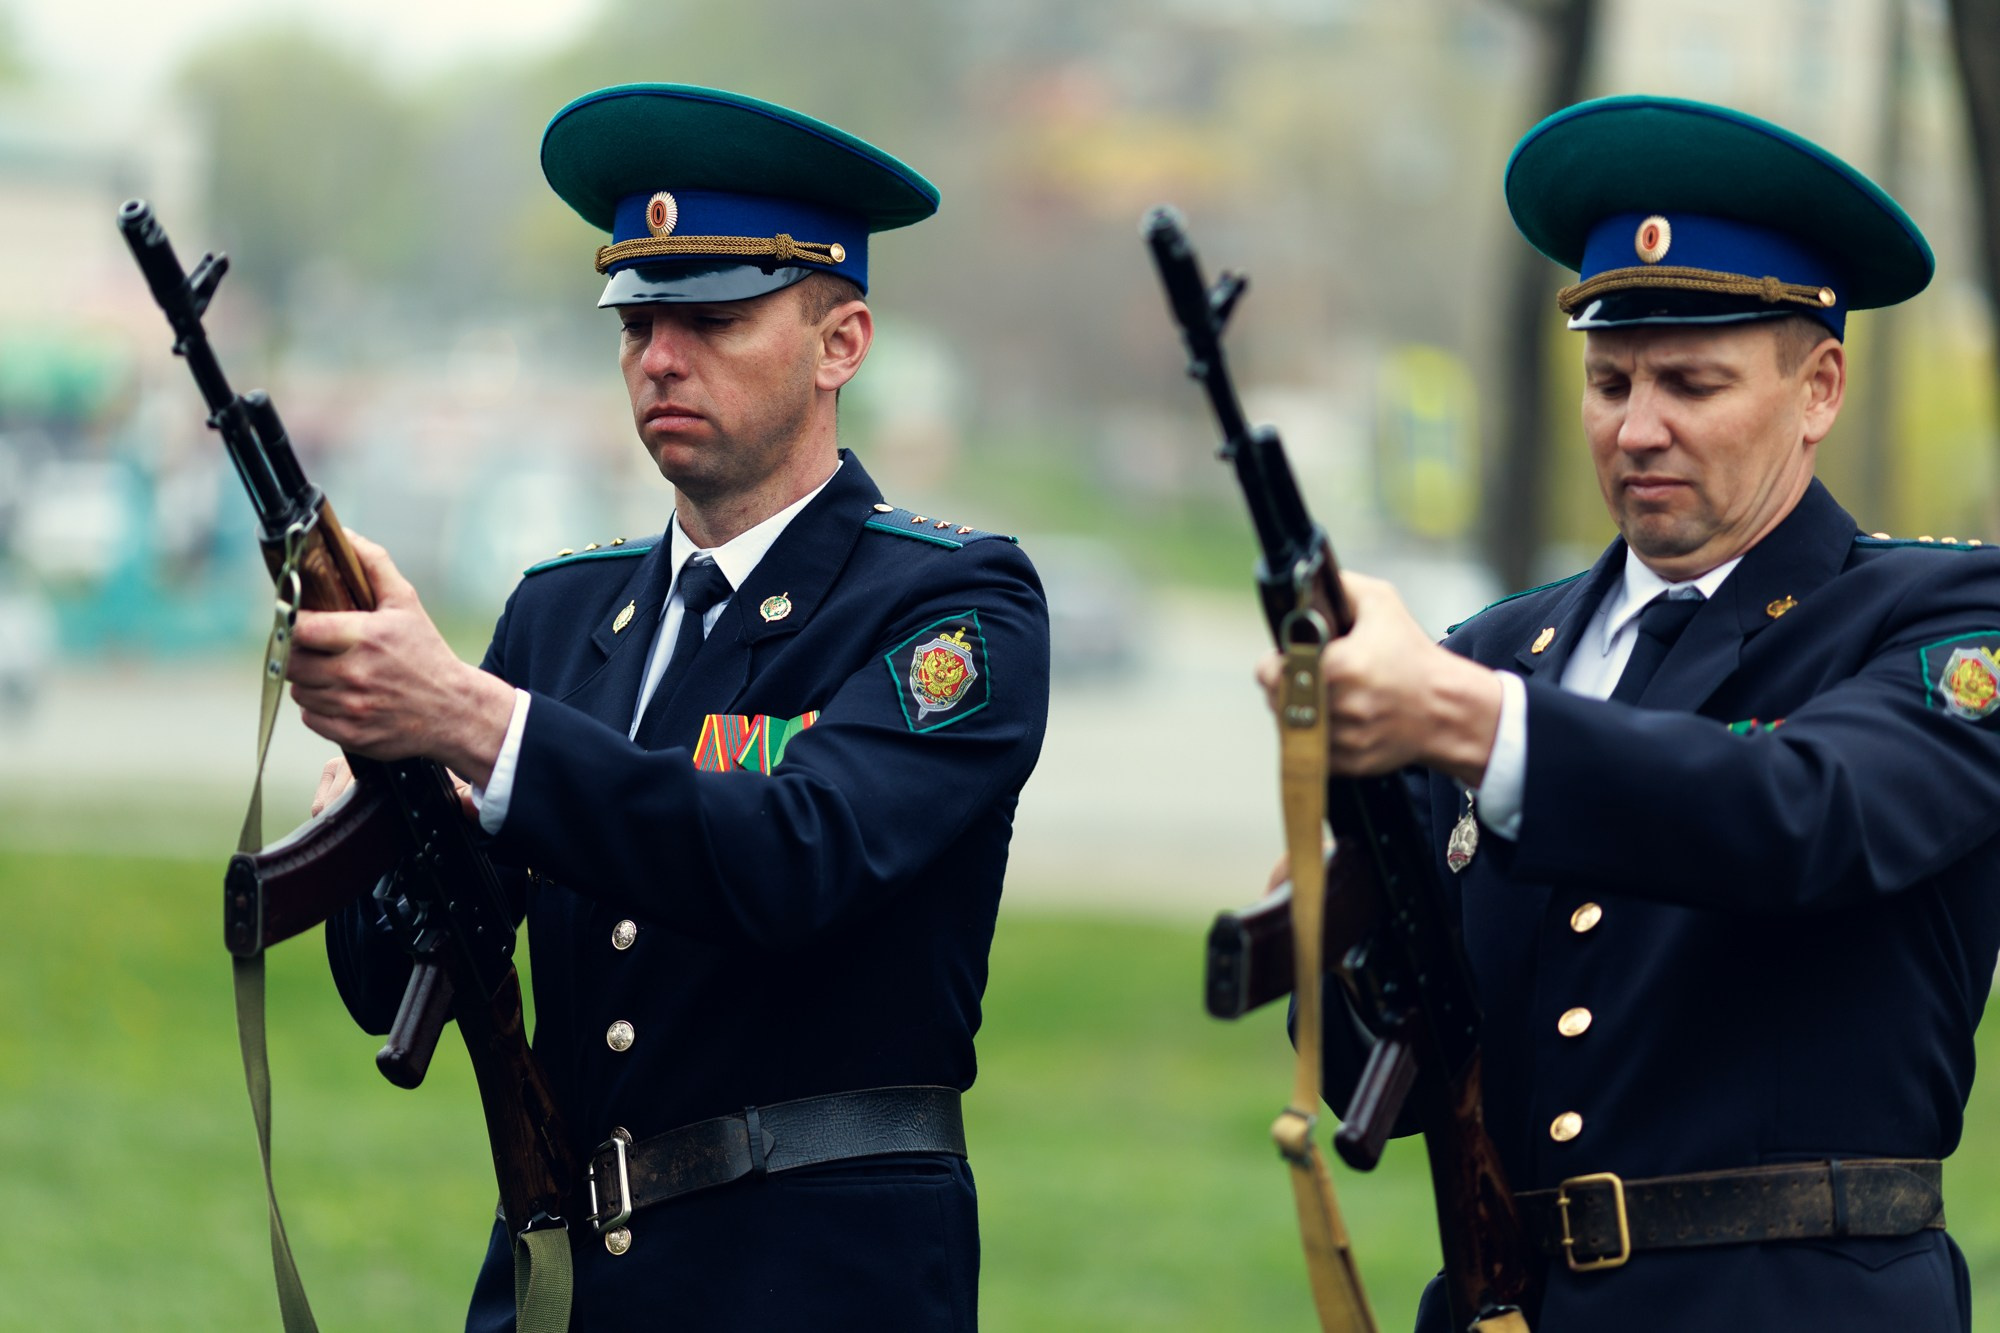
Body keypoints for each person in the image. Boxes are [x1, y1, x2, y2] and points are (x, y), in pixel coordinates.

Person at [291, 84, 1049, 1332]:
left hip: (814, 1283)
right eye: (638, 320)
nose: (659, 357)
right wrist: (385, 793)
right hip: (563, 1280)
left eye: (714, 317)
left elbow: (799, 856)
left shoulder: (953, 605)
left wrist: (472, 722)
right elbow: (406, 985)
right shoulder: (563, 611)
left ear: (839, 343)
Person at [1261, 95, 2000, 1332]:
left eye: (1692, 383)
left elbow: (1800, 812)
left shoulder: (1943, 618)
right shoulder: (1498, 651)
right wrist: (1343, 840)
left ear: (1816, 389)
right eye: (1609, 382)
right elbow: (1368, 1075)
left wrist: (1464, 721)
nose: (1636, 427)